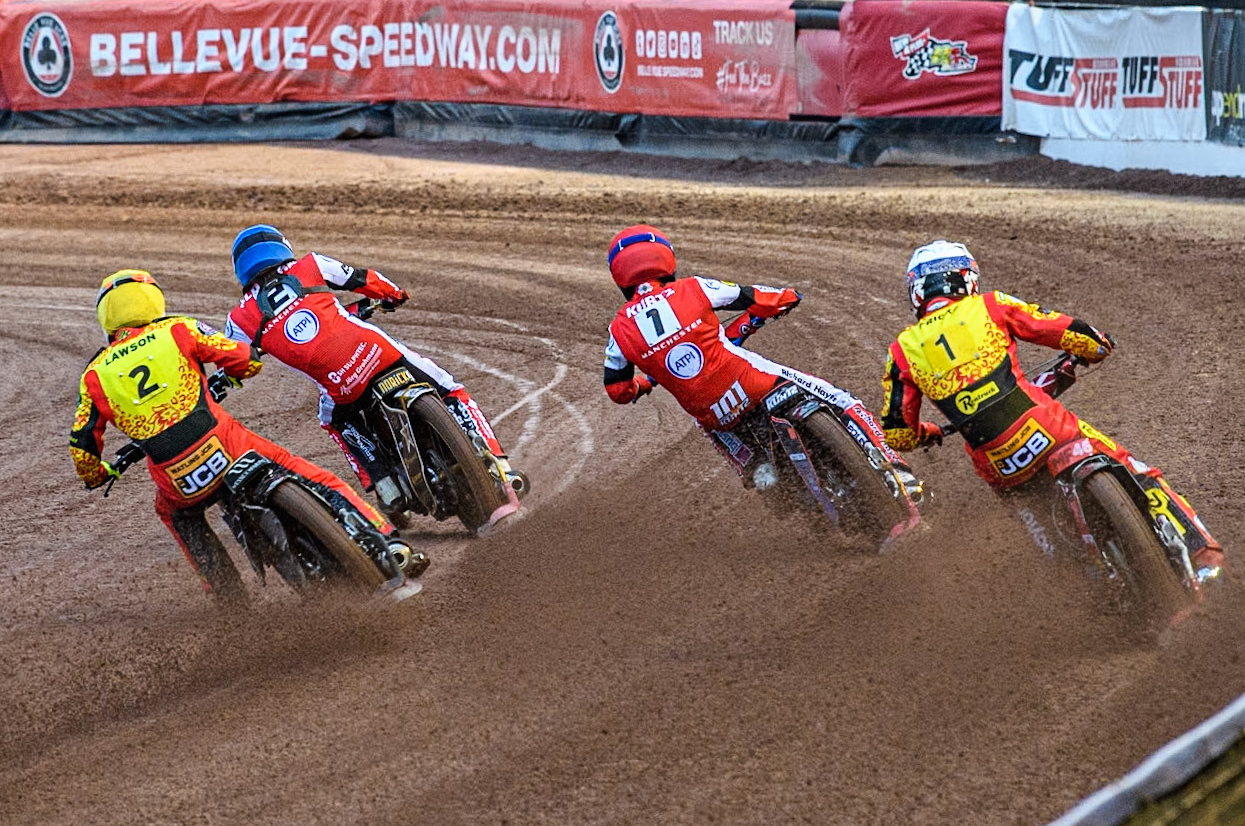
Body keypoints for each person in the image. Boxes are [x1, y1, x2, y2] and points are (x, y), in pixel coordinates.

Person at [71, 270, 423, 604]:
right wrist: (240, 370)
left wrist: (100, 474)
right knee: (307, 472)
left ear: (106, 316)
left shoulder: (93, 375)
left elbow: (82, 446)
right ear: (152, 300)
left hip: (175, 478)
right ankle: (385, 540)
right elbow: (242, 359)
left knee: (175, 515)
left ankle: (227, 597)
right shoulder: (179, 329)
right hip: (226, 444)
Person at [880, 239, 1223, 581]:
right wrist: (1098, 345)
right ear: (967, 279)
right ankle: (1203, 555)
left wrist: (929, 432)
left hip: (998, 464)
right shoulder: (990, 306)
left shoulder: (901, 351)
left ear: (918, 292)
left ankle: (1081, 586)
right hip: (1049, 429)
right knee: (1136, 472)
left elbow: (897, 434)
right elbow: (1064, 330)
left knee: (1043, 539)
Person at [601, 224, 919, 515]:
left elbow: (617, 390)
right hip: (755, 383)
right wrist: (788, 297)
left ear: (620, 276)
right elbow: (755, 297)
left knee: (710, 423)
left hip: (715, 413)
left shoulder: (619, 331)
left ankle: (758, 471)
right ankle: (899, 473)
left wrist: (642, 385)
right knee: (841, 400)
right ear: (665, 260)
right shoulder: (693, 288)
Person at [222, 225, 522, 528]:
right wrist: (394, 296)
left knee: (333, 421)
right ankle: (502, 467)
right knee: (451, 390)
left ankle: (383, 483)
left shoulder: (239, 319)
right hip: (380, 354)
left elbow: (237, 363)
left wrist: (231, 376)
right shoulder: (310, 264)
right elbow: (364, 279)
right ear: (282, 247)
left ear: (241, 269)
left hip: (343, 387)